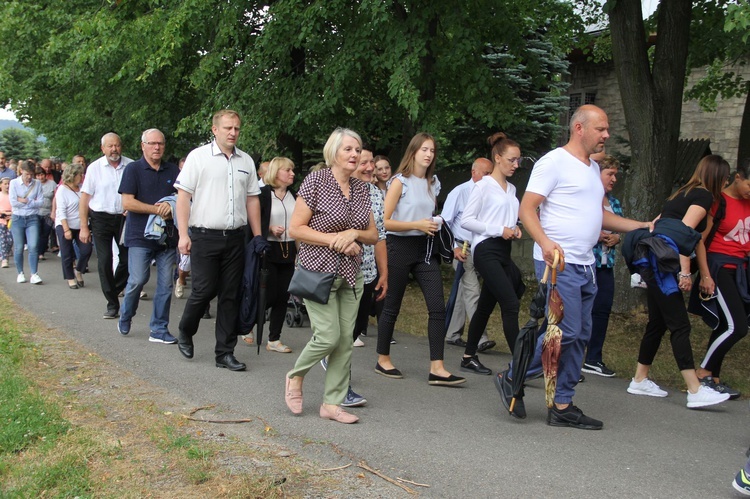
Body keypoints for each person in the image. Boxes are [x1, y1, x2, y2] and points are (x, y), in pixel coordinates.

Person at [518, 105, 652, 429]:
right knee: (567, 332)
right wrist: (546, 244)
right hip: (558, 263)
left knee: (581, 337)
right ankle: (514, 375)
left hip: (587, 264)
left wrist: (643, 226)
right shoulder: (554, 162)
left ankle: (562, 403)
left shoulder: (592, 167)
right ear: (579, 128)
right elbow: (527, 208)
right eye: (601, 129)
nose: (606, 135)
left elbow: (601, 215)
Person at [284, 128, 377, 423]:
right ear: (334, 152)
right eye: (348, 149)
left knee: (345, 341)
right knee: (328, 337)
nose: (355, 154)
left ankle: (332, 404)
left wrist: (354, 235)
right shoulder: (317, 181)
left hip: (351, 274)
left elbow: (373, 235)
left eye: (358, 149)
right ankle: (295, 376)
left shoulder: (362, 188)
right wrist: (336, 239)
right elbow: (296, 229)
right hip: (317, 272)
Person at [627, 155, 731, 409]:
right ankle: (695, 390)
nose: (727, 182)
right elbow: (682, 233)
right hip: (665, 265)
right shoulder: (704, 196)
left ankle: (640, 379)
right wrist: (685, 272)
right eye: (726, 177)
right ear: (718, 177)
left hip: (654, 260)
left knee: (658, 322)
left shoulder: (680, 193)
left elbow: (693, 239)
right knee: (680, 326)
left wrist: (704, 274)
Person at [174, 109, 264, 372]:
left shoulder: (246, 161)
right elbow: (183, 197)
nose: (233, 133)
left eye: (236, 128)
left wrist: (258, 236)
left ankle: (224, 352)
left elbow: (252, 200)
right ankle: (185, 329)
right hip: (204, 235)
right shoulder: (198, 157)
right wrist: (182, 234)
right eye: (227, 128)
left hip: (236, 238)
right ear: (215, 130)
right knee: (203, 290)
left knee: (230, 295)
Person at [375, 132, 465, 386]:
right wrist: (417, 224)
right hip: (399, 247)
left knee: (437, 306)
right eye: (424, 149)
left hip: (425, 249)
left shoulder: (432, 182)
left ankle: (437, 367)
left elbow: (430, 214)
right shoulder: (398, 182)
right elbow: (385, 221)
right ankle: (383, 358)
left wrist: (434, 224)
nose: (428, 154)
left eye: (432, 150)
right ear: (413, 152)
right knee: (392, 306)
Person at [460, 133, 525, 379]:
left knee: (486, 305)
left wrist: (515, 228)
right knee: (510, 303)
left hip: (503, 251)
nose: (515, 165)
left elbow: (508, 219)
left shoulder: (512, 189)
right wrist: (499, 229)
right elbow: (467, 221)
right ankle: (521, 365)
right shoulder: (483, 186)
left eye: (518, 160)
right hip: (485, 249)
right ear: (497, 158)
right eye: (511, 160)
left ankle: (468, 356)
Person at [693, 158, 750, 399]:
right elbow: (699, 240)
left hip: (741, 270)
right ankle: (702, 373)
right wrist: (705, 275)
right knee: (737, 327)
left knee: (725, 325)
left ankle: (714, 378)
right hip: (718, 267)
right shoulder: (718, 202)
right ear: (738, 177)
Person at [117, 129, 180, 344]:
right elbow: (127, 203)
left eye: (160, 143)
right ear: (142, 145)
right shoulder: (133, 169)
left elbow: (183, 199)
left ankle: (159, 329)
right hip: (139, 235)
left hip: (168, 236)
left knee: (165, 285)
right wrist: (156, 210)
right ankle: (126, 314)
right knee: (138, 280)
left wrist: (171, 208)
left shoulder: (173, 170)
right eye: (152, 143)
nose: (157, 147)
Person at [343, 144, 388, 407]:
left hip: (367, 271)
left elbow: (381, 235)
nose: (370, 168)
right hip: (339, 272)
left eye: (372, 162)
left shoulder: (375, 193)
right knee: (342, 330)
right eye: (364, 163)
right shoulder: (336, 190)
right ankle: (342, 384)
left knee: (357, 326)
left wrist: (384, 273)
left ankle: (329, 362)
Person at [79, 132, 133, 319]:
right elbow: (85, 198)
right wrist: (84, 226)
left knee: (127, 260)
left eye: (116, 145)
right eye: (110, 146)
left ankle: (114, 288)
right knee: (104, 261)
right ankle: (112, 304)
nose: (114, 149)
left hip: (124, 218)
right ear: (103, 148)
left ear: (121, 146)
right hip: (100, 218)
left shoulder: (131, 165)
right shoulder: (95, 168)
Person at [442, 157, 494, 350]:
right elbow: (444, 222)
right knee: (473, 290)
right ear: (474, 172)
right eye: (486, 173)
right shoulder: (460, 192)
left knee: (464, 290)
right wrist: (452, 248)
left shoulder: (491, 193)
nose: (489, 177)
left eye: (491, 173)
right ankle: (480, 338)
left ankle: (452, 333)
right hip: (461, 248)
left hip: (481, 248)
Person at [582, 154, 622, 378]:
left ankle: (593, 358)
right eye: (610, 174)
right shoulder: (587, 199)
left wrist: (616, 237)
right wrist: (596, 235)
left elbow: (619, 227)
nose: (614, 179)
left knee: (602, 310)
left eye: (616, 174)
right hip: (588, 262)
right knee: (576, 311)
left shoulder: (614, 202)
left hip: (607, 265)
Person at [256, 156, 297, 353]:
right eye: (287, 170)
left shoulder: (295, 196)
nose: (292, 174)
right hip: (268, 251)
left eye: (292, 170)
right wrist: (269, 228)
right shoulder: (262, 194)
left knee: (283, 295)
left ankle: (274, 339)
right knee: (267, 295)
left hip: (289, 251)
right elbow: (253, 221)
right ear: (276, 172)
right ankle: (248, 325)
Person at [54, 163, 92, 289]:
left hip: (81, 225)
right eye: (80, 174)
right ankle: (70, 278)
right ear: (73, 175)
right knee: (67, 253)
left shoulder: (82, 188)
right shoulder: (62, 190)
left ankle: (79, 271)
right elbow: (61, 211)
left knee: (87, 250)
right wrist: (66, 229)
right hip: (65, 224)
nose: (82, 177)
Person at [9, 161, 44, 284]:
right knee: (18, 247)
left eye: (31, 174)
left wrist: (25, 200)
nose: (29, 177)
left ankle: (34, 273)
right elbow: (13, 202)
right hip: (18, 218)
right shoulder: (14, 183)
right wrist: (31, 202)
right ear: (21, 172)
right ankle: (20, 273)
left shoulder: (37, 184)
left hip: (32, 218)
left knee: (33, 246)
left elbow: (40, 202)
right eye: (27, 174)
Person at [35, 166, 57, 260]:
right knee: (37, 233)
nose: (40, 177)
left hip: (48, 212)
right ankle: (36, 252)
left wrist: (54, 211)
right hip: (36, 212)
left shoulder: (52, 184)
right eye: (38, 175)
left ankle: (41, 252)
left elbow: (55, 197)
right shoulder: (34, 184)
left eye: (42, 175)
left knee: (46, 233)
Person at [0, 177, 13, 268]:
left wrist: (11, 213)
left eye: (8, 184)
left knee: (10, 240)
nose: (7, 186)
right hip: (1, 220)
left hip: (11, 220)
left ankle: (5, 253)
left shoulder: (12, 195)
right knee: (2, 240)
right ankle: (4, 259)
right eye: (5, 184)